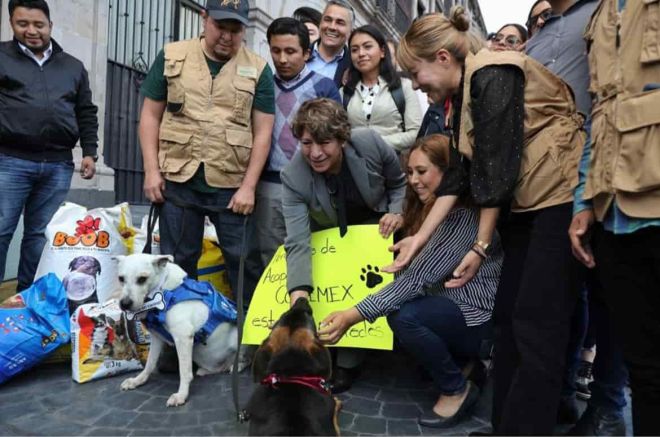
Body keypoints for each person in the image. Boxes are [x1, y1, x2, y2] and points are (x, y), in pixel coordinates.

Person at [395, 7, 586, 434]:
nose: (415, 84)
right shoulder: (464, 91)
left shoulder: (492, 73)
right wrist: (419, 239)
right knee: (509, 322)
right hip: (527, 205)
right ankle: (508, 425)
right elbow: (461, 175)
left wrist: (479, 248)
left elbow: (494, 173)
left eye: (415, 73)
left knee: (535, 329)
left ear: (443, 58)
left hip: (556, 202)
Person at [319, 134, 502, 428]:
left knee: (406, 318)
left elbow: (413, 280)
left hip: (475, 317)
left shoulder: (462, 218)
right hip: (448, 304)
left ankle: (456, 387)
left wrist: (350, 316)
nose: (414, 180)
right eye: (409, 172)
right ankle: (463, 364)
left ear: (448, 174)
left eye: (422, 171)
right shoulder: (426, 212)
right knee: (408, 312)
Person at [526, 0, 628, 433]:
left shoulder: (608, 10)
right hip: (554, 185)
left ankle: (607, 406)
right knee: (564, 301)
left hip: (615, 175)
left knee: (613, 300)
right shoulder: (545, 31)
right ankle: (562, 395)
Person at [137, 0, 274, 306]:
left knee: (243, 263)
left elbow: (263, 131)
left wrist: (249, 187)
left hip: (231, 186)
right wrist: (151, 171)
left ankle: (249, 339)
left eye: (235, 29)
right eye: (220, 26)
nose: (226, 36)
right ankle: (181, 340)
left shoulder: (259, 69)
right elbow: (150, 116)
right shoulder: (173, 56)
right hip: (178, 178)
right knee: (178, 264)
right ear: (204, 18)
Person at [569, 0, 660, 434]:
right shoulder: (599, 16)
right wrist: (583, 203)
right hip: (615, 214)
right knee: (644, 370)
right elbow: (599, 117)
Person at [281, 98, 406, 392]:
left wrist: (397, 212)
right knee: (334, 289)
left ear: (342, 139)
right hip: (330, 236)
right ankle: (337, 354)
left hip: (377, 228)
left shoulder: (370, 143)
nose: (315, 153)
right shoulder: (293, 176)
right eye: (307, 143)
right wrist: (298, 298)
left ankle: (353, 360)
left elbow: (399, 183)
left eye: (324, 142)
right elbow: (297, 241)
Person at [0, 0, 98, 292]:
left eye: (38, 25)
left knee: (39, 236)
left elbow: (86, 111)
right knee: (1, 231)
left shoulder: (73, 67)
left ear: (50, 26)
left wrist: (90, 152)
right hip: (9, 160)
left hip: (57, 164)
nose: (31, 31)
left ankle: (28, 298)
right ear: (12, 24)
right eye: (23, 24)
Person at [255, 17, 340, 267]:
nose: (282, 59)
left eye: (290, 51)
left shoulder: (324, 87)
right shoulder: (262, 85)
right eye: (276, 50)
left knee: (315, 254)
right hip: (271, 185)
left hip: (314, 185)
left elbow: (336, 137)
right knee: (271, 257)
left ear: (306, 52)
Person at [342, 25, 422, 154]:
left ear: (383, 51)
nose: (361, 54)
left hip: (393, 165)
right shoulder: (345, 92)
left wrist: (375, 143)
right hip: (354, 166)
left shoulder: (404, 87)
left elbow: (415, 132)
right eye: (355, 50)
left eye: (367, 47)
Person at [306, 0, 353, 87]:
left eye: (340, 22)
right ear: (320, 24)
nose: (332, 27)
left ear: (350, 32)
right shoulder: (301, 54)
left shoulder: (353, 68)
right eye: (328, 20)